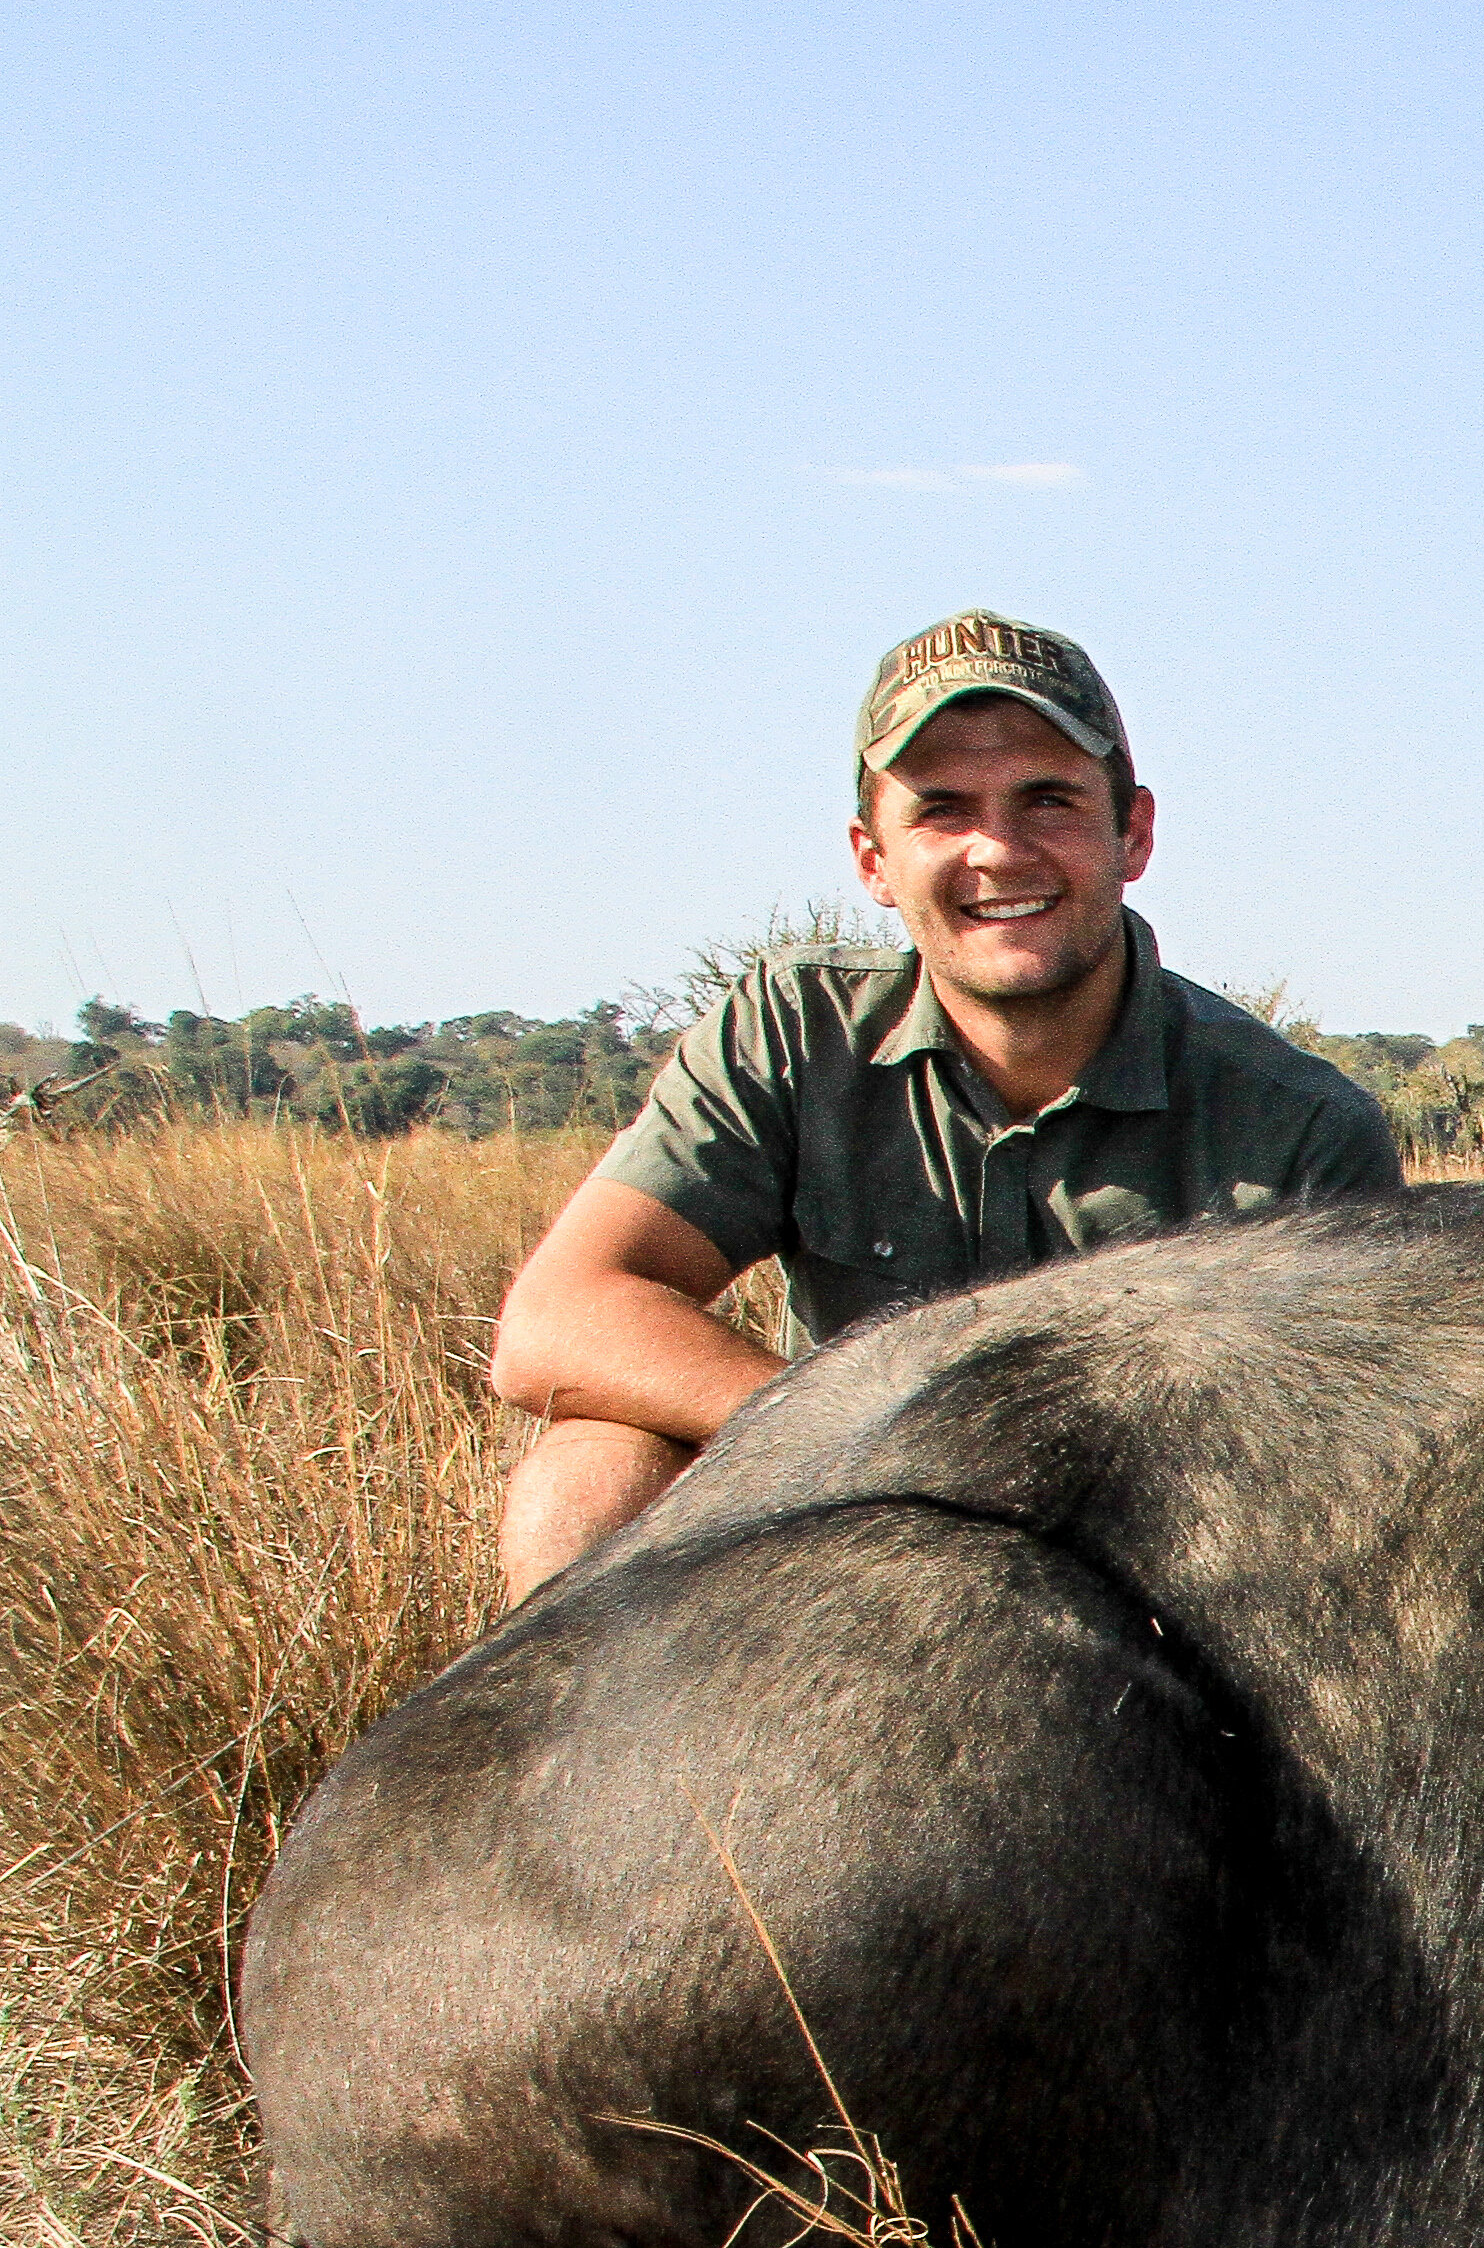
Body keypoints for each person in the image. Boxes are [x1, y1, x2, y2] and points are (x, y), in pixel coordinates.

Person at [489, 612, 1400, 1597]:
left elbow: (1345, 1487)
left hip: (1152, 1593)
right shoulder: (794, 1031)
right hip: (843, 1539)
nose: (999, 852)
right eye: (942, 810)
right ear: (872, 859)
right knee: (585, 1482)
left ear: (1132, 834)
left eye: (1047, 801)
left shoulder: (1303, 1131)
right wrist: (882, 1446)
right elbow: (556, 1322)